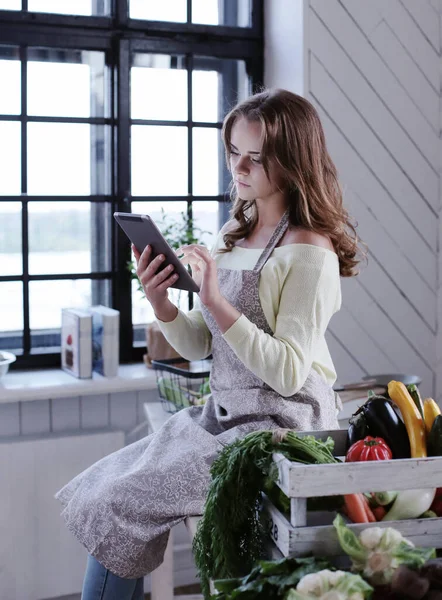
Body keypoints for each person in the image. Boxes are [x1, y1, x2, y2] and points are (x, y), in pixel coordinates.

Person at [55, 88, 365, 600]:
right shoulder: (231, 236)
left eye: (255, 158)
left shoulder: (310, 253)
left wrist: (217, 299)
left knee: (119, 502)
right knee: (104, 488)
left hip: (279, 427)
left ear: (291, 163)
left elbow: (288, 372)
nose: (238, 169)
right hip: (223, 415)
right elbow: (202, 343)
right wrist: (163, 305)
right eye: (232, 154)